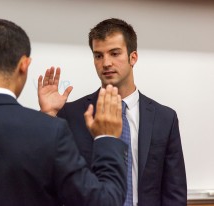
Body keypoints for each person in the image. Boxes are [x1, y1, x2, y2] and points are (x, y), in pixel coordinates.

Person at [0, 19, 129, 206]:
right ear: (24, 65)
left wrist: (47, 117)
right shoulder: (50, 133)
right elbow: (103, 201)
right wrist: (107, 137)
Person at [38, 18, 187, 206]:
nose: (106, 63)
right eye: (98, 56)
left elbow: (174, 190)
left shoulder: (165, 118)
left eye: (114, 53)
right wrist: (48, 116)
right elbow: (48, 175)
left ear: (133, 57)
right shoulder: (72, 113)